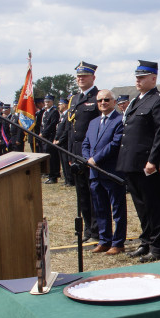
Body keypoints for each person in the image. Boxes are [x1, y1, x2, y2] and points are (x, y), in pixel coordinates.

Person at [115, 61, 160, 262]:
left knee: (154, 204)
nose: (138, 80)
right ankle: (145, 241)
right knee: (140, 205)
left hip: (146, 163)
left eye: (142, 77)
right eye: (136, 77)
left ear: (153, 78)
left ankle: (157, 246)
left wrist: (153, 160)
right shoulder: (135, 101)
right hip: (131, 162)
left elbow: (159, 133)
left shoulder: (158, 100)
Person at [81, 89, 125, 255]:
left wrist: (96, 159)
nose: (103, 103)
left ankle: (118, 242)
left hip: (111, 172)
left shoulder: (119, 120)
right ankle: (104, 240)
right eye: (100, 101)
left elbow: (115, 144)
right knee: (100, 209)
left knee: (117, 210)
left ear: (114, 102)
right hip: (94, 173)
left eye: (107, 100)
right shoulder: (93, 123)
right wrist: (87, 159)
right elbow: (86, 143)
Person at [67, 62, 101, 242]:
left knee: (93, 193)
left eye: (85, 76)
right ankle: (87, 230)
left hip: (92, 154)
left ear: (93, 78)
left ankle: (96, 231)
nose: (81, 79)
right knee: (81, 194)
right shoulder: (74, 99)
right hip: (76, 153)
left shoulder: (99, 98)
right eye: (79, 76)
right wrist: (69, 154)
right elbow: (70, 130)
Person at [39, 94, 61, 184]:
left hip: (50, 137)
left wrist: (44, 133)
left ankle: (53, 176)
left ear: (52, 102)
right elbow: (42, 124)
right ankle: (50, 174)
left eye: (48, 102)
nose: (46, 103)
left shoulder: (54, 112)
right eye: (45, 102)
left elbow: (52, 125)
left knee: (52, 157)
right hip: (45, 137)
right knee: (48, 157)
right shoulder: (45, 112)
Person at [54, 97, 75, 187]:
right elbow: (59, 129)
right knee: (63, 162)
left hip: (65, 142)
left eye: (60, 104)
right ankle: (66, 179)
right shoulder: (62, 115)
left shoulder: (68, 116)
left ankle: (70, 180)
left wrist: (60, 140)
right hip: (60, 143)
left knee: (67, 161)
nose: (58, 106)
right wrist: (55, 139)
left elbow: (66, 130)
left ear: (65, 105)